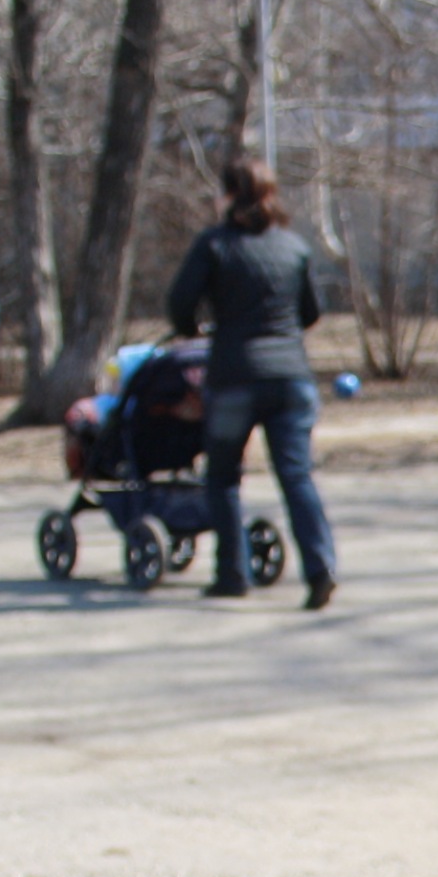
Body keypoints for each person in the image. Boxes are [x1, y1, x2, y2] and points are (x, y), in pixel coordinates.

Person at [168, 157, 338, 611]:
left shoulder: (215, 245)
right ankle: (320, 567)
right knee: (296, 476)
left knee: (223, 478)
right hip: (290, 377)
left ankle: (232, 574)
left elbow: (180, 304)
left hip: (234, 377)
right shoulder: (293, 246)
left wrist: (195, 327)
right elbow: (311, 313)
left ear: (228, 195)